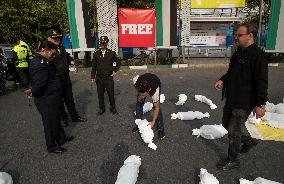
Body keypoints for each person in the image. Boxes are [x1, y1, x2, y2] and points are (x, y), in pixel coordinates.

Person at [214, 23, 268, 170]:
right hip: (232, 98)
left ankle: (233, 160)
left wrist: (260, 104)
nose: (236, 37)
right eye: (236, 34)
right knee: (226, 124)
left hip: (245, 101)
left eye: (239, 35)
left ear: (250, 36)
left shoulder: (258, 55)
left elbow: (261, 81)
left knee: (234, 131)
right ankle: (249, 141)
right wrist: (222, 79)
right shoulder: (238, 52)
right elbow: (231, 72)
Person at [28, 41, 74, 153]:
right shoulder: (39, 63)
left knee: (56, 119)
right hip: (46, 100)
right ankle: (51, 146)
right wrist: (33, 92)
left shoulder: (45, 60)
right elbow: (38, 85)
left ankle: (61, 138)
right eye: (52, 54)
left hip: (52, 98)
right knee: (49, 122)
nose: (54, 56)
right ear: (44, 50)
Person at [46, 29, 87, 126]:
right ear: (48, 38)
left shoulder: (61, 47)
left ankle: (75, 117)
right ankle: (63, 119)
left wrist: (73, 61)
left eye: (58, 37)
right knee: (59, 102)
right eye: (54, 38)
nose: (57, 39)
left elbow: (67, 58)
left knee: (70, 99)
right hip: (56, 80)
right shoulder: (46, 49)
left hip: (66, 78)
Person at [91, 36, 121, 115]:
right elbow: (93, 66)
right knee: (100, 95)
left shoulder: (111, 53)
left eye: (104, 43)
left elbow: (118, 62)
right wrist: (92, 77)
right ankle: (101, 109)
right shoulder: (96, 53)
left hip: (108, 78)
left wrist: (115, 70)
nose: (102, 44)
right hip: (99, 78)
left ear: (107, 43)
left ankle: (113, 108)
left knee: (111, 94)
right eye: (101, 43)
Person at [132, 73, 165, 140]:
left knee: (156, 106)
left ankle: (161, 128)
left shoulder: (154, 92)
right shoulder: (136, 81)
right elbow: (138, 89)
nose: (142, 96)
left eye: (144, 95)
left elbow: (157, 107)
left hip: (155, 81)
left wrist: (153, 121)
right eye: (140, 93)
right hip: (144, 80)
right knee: (139, 103)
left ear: (148, 91)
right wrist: (140, 96)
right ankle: (139, 123)